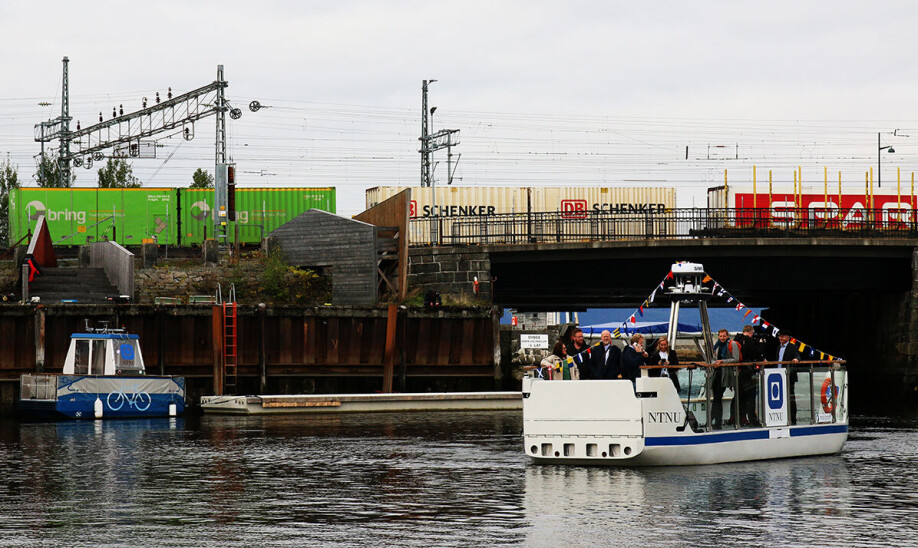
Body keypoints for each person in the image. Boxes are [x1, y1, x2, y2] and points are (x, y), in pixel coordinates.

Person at [733, 325, 764, 427]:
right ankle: (752, 419)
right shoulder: (749, 341)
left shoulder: (736, 339)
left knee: (739, 396)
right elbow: (756, 353)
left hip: (737, 372)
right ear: (751, 332)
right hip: (748, 371)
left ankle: (739, 418)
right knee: (750, 396)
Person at [709, 328, 740, 429]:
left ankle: (716, 421)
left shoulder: (732, 344)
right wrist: (715, 363)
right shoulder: (717, 346)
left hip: (726, 373)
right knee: (716, 398)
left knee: (718, 396)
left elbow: (736, 359)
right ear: (718, 336)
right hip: (717, 373)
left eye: (724, 336)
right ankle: (714, 420)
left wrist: (722, 361)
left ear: (727, 336)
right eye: (720, 336)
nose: (722, 338)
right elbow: (713, 359)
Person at [770, 330, 801, 425]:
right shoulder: (778, 347)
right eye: (779, 336)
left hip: (788, 376)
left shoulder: (793, 347)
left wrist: (796, 359)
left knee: (790, 398)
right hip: (778, 376)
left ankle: (792, 419)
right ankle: (783, 417)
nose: (780, 338)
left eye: (782, 336)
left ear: (788, 337)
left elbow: (797, 355)